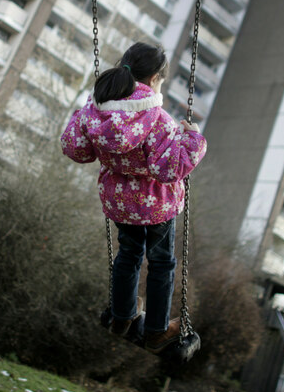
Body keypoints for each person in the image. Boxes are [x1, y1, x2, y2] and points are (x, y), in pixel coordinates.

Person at [60, 42, 207, 353]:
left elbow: (77, 149)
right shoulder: (158, 119)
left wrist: (81, 115)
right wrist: (192, 138)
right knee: (162, 262)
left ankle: (122, 315)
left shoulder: (96, 110)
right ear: (155, 79)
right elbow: (168, 169)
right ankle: (156, 330)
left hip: (119, 203)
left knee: (127, 256)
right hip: (156, 205)